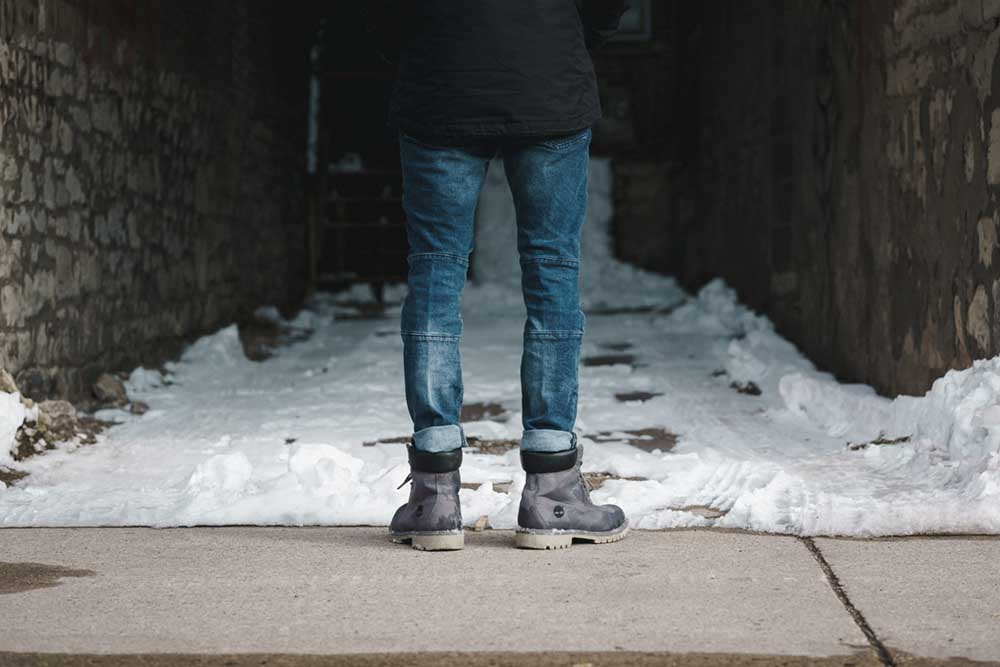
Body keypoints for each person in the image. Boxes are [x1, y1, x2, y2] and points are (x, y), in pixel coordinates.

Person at [374, 0, 630, 551]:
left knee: (435, 276)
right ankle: (553, 491)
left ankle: (434, 495)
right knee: (553, 273)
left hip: (441, 80)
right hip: (547, 78)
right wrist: (566, 37)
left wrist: (424, 40)